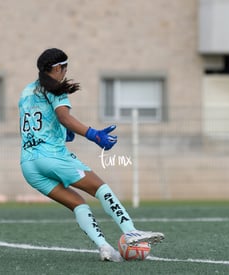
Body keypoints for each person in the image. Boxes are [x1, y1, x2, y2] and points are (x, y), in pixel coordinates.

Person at [18, 48, 164, 262]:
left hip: (29, 164)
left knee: (78, 203)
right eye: (65, 69)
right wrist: (93, 134)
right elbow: (64, 117)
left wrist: (61, 133)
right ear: (58, 68)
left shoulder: (26, 91)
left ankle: (104, 247)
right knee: (100, 188)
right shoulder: (56, 90)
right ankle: (130, 230)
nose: (65, 74)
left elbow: (37, 123)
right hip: (52, 157)